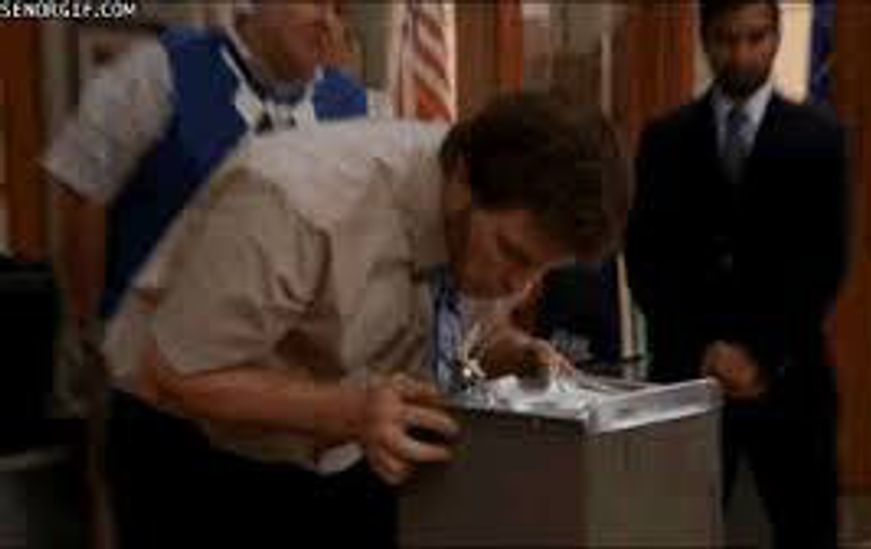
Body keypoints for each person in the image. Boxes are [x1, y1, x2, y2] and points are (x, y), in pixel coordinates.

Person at [100, 93, 630, 547]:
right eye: (512, 255)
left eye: (542, 270)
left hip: (346, 445)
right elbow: (178, 373)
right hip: (193, 447)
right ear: (462, 180)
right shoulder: (298, 201)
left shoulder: (491, 211)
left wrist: (513, 353)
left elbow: (467, 327)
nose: (519, 287)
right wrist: (349, 411)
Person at [625, 0, 848, 546]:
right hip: (688, 377)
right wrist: (704, 351)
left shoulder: (818, 136)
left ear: (775, 36)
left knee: (807, 529)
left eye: (756, 38)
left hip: (788, 375)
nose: (743, 54)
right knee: (675, 532)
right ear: (705, 39)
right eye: (728, 39)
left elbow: (824, 263)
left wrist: (760, 355)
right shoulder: (665, 138)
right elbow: (648, 261)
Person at [44, 2, 377, 337]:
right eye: (316, 3)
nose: (328, 22)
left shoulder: (356, 109)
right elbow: (83, 195)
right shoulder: (160, 70)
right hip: (148, 346)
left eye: (340, 11)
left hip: (281, 355)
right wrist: (89, 330)